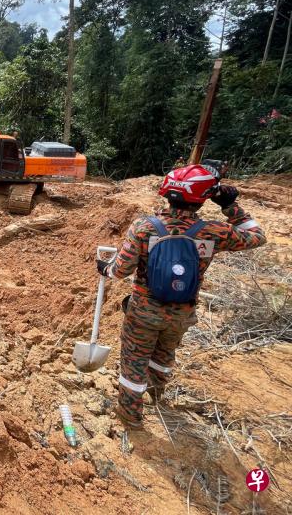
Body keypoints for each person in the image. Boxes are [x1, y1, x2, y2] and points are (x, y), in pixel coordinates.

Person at [97, 164, 266, 428]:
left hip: (143, 312)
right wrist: (230, 205)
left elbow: (120, 270)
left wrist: (105, 269)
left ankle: (130, 417)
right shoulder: (214, 232)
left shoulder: (144, 227)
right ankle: (156, 396)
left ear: (167, 193)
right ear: (204, 198)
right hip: (182, 312)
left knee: (134, 362)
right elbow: (257, 236)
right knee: (163, 356)